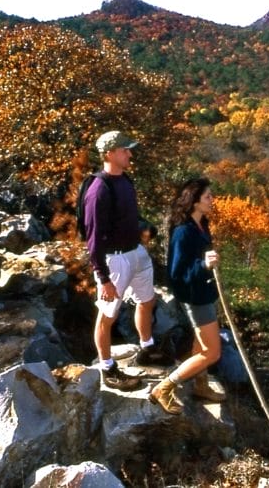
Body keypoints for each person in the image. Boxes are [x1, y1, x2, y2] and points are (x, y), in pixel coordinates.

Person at [83, 130, 163, 391]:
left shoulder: (125, 180)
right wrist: (103, 278)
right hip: (114, 261)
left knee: (147, 300)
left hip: (135, 252)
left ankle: (146, 349)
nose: (129, 154)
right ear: (109, 154)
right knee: (107, 316)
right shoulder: (99, 191)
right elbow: (93, 240)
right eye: (124, 150)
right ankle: (108, 369)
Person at [149, 177, 227, 413]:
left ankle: (201, 385)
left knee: (199, 344)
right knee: (211, 351)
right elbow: (176, 273)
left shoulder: (201, 225)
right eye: (207, 197)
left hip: (203, 292)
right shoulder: (183, 232)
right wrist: (203, 265)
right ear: (194, 202)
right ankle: (164, 387)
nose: (212, 200)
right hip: (195, 297)